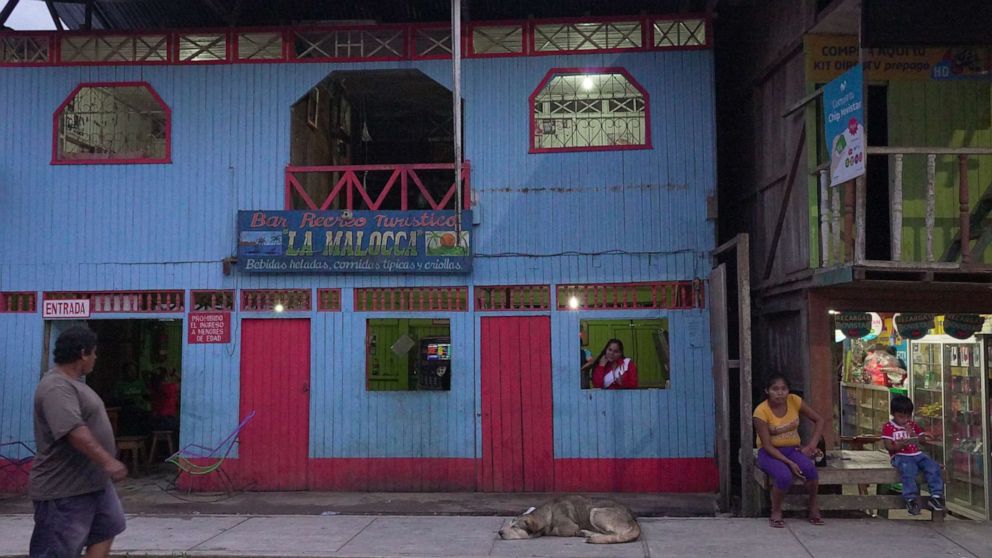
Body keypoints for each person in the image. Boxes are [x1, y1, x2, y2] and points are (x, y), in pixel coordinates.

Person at [29, 325, 127, 558]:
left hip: (94, 484)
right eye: (94, 352)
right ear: (83, 353)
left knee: (108, 528)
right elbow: (73, 431)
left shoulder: (75, 384)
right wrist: (108, 462)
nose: (95, 358)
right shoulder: (56, 386)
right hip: (64, 489)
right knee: (58, 549)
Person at [752, 373, 826, 528]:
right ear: (767, 391)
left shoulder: (794, 401)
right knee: (784, 475)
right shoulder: (761, 412)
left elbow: (819, 420)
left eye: (783, 389)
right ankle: (776, 510)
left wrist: (811, 445)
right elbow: (767, 445)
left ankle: (813, 506)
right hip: (769, 453)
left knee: (810, 469)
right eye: (775, 389)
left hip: (792, 450)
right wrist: (789, 463)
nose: (780, 393)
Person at [881, 395, 945, 515]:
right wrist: (900, 445)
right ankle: (910, 498)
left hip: (916, 454)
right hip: (900, 456)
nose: (905, 420)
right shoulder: (889, 427)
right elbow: (888, 446)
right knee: (909, 469)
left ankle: (936, 495)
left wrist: (914, 434)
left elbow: (922, 441)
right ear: (893, 414)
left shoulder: (912, 424)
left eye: (908, 416)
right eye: (901, 416)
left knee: (933, 466)